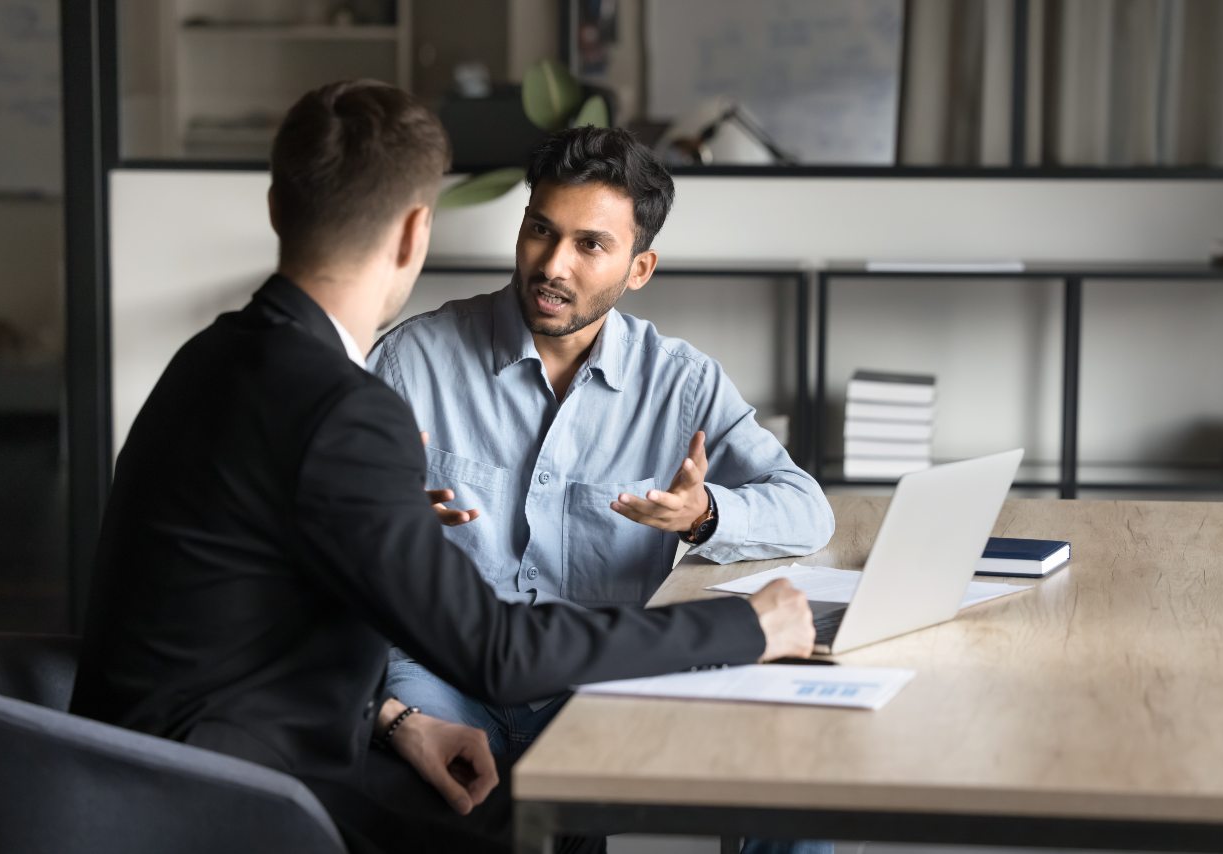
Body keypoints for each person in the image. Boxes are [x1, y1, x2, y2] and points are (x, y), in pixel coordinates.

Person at [69, 80, 815, 854]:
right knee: (514, 816)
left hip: (122, 773)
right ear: (413, 234)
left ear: (274, 210)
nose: (554, 262)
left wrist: (391, 720)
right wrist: (744, 625)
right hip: (228, 802)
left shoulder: (213, 355)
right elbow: (497, 651)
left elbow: (254, 615)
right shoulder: (345, 406)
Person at [369, 126, 835, 760]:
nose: (553, 264)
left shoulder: (681, 383)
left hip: (594, 685)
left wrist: (703, 515)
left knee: (785, 753)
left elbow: (807, 509)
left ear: (639, 268)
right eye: (541, 229)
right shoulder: (411, 360)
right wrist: (383, 518)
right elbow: (324, 532)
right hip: (442, 677)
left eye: (590, 244)